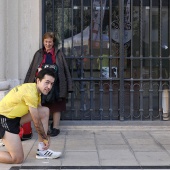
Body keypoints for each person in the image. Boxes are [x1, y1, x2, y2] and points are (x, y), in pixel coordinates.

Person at [0, 69, 61, 164]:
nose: (49, 87)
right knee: (17, 159)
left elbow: (40, 115)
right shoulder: (31, 93)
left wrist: (45, 137)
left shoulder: (36, 91)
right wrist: (46, 138)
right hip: (4, 120)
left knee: (44, 111)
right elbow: (36, 122)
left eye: (51, 84)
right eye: (47, 82)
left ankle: (42, 151)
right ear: (38, 81)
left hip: (15, 118)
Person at [24, 32, 73, 137]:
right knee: (40, 105)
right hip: (41, 85)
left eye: (50, 42)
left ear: (53, 42)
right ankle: (41, 127)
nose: (48, 44)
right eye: (46, 42)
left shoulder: (58, 54)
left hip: (56, 85)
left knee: (56, 106)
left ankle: (55, 127)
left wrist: (68, 85)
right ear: (43, 42)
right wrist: (27, 83)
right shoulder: (38, 54)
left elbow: (65, 70)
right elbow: (32, 69)